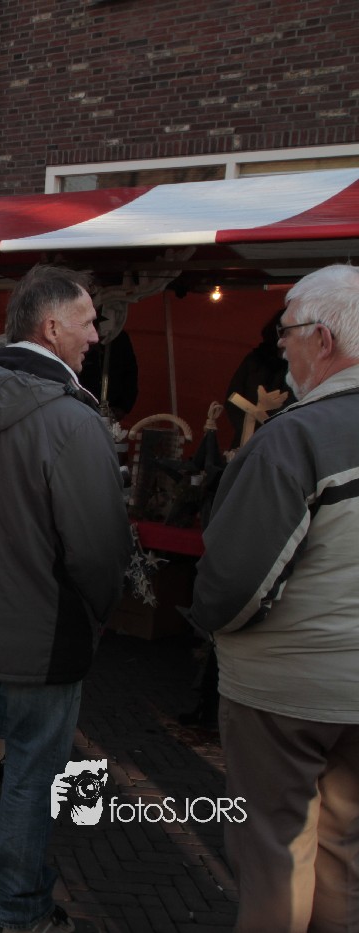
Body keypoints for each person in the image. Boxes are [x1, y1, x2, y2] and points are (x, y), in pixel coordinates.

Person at [0, 264, 131, 933]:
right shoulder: (72, 420)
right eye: (88, 322)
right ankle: (20, 906)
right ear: (51, 326)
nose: (96, 334)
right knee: (34, 767)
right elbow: (99, 546)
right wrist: (98, 613)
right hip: (44, 629)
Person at [189, 264, 359, 933]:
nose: (279, 346)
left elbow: (233, 581)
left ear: (322, 339)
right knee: (343, 856)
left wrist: (207, 621)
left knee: (275, 858)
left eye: (286, 332)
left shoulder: (293, 437)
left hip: (286, 692)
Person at [224, 308, 294, 448]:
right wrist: (249, 429)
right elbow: (233, 398)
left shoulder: (299, 364)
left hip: (281, 441)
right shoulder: (254, 361)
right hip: (249, 440)